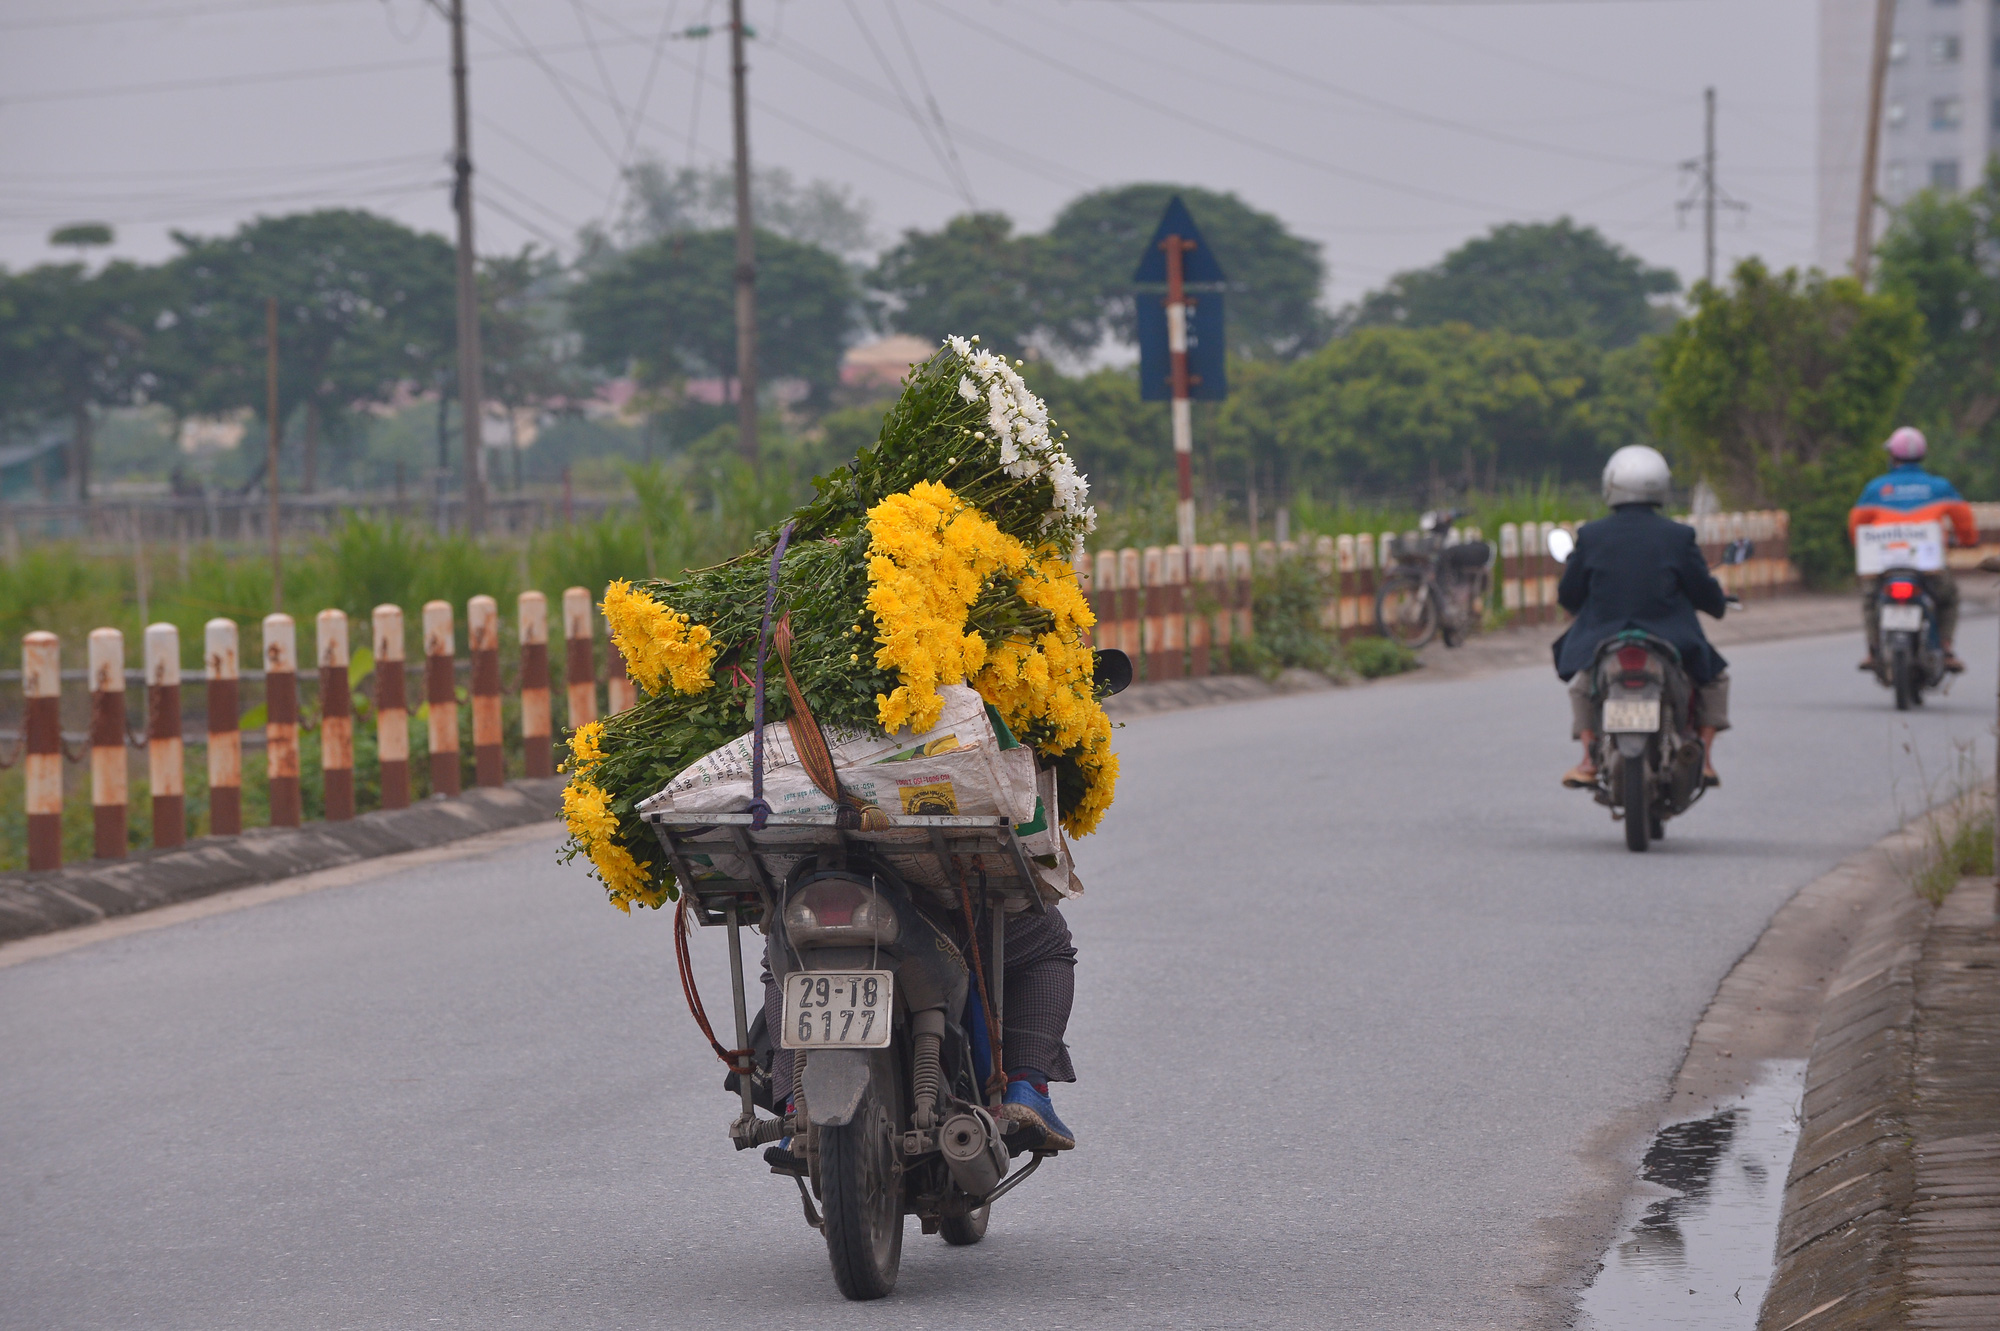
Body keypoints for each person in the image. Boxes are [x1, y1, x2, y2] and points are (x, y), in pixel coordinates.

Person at [1553, 445, 1731, 789]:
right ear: (1660, 486)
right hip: (1669, 636)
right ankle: (1705, 760)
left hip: (1603, 636)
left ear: (1611, 485)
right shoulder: (1679, 536)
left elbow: (1569, 594)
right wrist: (1716, 602)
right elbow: (1702, 589)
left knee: (1582, 685)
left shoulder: (1591, 535)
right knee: (1715, 680)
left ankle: (1589, 759)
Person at [1848, 426, 1979, 674]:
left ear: (1893, 457)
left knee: (1870, 599)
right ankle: (1946, 647)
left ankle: (1874, 649)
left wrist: (1864, 546)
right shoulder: (1939, 487)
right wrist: (1968, 540)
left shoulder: (1876, 488)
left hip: (1884, 565)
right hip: (1927, 566)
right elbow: (1964, 520)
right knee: (1948, 599)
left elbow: (1856, 524)